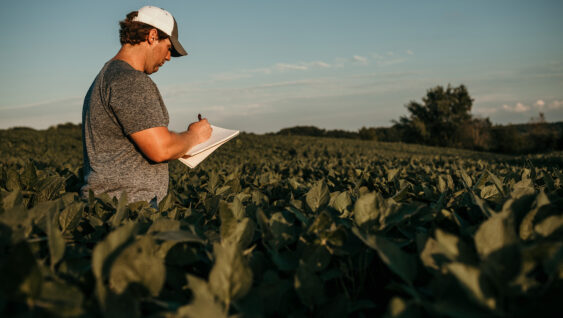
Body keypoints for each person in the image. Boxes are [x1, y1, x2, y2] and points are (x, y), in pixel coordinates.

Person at [81, 6, 212, 205]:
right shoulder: (130, 80)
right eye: (169, 48)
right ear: (152, 36)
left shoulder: (107, 75)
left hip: (108, 204)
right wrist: (195, 135)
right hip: (128, 209)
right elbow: (161, 149)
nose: (168, 57)